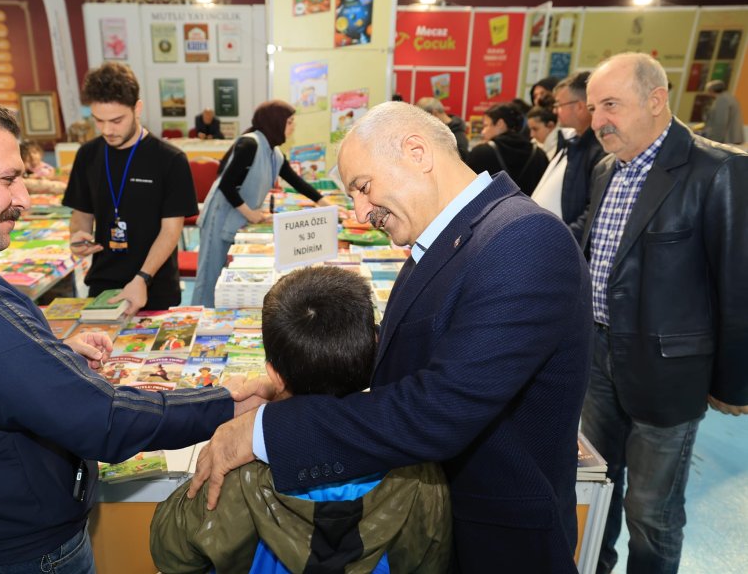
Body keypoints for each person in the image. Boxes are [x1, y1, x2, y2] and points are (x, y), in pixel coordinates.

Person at [0, 84, 264, 572]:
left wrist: (41, 353)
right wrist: (228, 401)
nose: (23, 198)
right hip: (15, 553)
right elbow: (100, 418)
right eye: (6, 179)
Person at [188, 101, 593, 572]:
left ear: (417, 151)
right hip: (440, 524)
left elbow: (440, 408)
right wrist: (294, 387)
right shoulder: (449, 237)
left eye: (363, 187)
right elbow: (418, 351)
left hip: (497, 541)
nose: (360, 212)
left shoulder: (523, 239)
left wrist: (266, 433)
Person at [151, 267, 452, 573]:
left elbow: (171, 552)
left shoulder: (239, 470)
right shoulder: (416, 468)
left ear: (274, 375)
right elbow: (431, 558)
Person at [580, 52, 748, 574]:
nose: (598, 120)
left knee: (651, 510)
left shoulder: (718, 171)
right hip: (598, 360)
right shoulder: (606, 169)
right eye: (591, 108)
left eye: (611, 104)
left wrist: (734, 385)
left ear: (656, 100)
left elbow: (738, 287)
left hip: (667, 370)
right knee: (599, 488)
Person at [63, 62, 198, 314]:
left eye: (116, 120)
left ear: (137, 108)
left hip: (153, 285)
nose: (107, 130)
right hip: (103, 285)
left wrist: (142, 278)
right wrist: (78, 236)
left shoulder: (169, 159)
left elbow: (171, 231)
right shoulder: (87, 155)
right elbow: (81, 214)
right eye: (98, 121)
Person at [191, 100, 330, 307]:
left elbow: (295, 181)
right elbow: (226, 185)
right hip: (219, 219)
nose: (293, 127)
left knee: (228, 279)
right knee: (210, 277)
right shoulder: (250, 144)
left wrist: (325, 203)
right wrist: (251, 214)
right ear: (275, 122)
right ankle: (200, 317)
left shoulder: (274, 152)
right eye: (290, 121)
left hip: (239, 218)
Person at [531, 71, 606, 242]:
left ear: (579, 106)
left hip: (561, 243)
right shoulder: (571, 141)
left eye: (559, 105)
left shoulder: (598, 150)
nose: (555, 111)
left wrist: (562, 239)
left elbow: (593, 209)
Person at [466, 102, 548, 196]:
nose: (483, 132)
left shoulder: (480, 153)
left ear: (500, 124)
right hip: (531, 209)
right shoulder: (539, 154)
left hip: (492, 210)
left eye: (485, 126)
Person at [416, 96, 469, 161]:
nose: (421, 124)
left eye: (423, 119)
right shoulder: (436, 131)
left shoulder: (459, 139)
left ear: (434, 114)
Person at [702, 79, 745, 145]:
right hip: (732, 138)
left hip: (727, 139)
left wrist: (715, 141)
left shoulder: (722, 100)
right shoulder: (727, 97)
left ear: (711, 90)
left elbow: (720, 122)